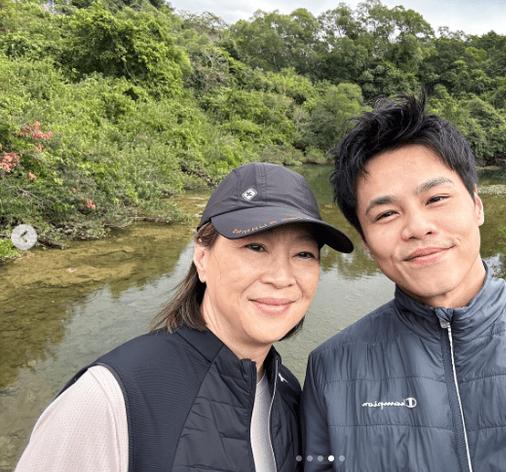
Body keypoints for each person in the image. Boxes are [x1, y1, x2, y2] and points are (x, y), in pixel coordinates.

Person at [302, 95, 506, 471]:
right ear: (365, 240)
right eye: (386, 213)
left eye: (436, 198)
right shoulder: (331, 370)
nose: (417, 227)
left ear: (477, 205)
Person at [15, 162, 353, 472]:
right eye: (255, 247)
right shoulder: (109, 400)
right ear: (202, 257)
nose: (282, 277)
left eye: (303, 254)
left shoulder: (288, 391)